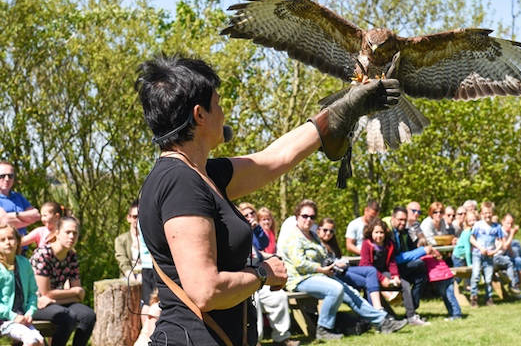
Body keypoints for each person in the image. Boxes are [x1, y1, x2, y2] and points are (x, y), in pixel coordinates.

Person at [135, 55, 402, 345]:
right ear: (200, 115)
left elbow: (275, 158)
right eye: (219, 104)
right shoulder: (181, 182)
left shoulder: (202, 174)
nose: (224, 113)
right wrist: (263, 273)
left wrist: (344, 108)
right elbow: (205, 290)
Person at [279, 199, 407, 340]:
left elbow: (323, 255)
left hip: (322, 275)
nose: (308, 219)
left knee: (352, 294)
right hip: (300, 278)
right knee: (336, 289)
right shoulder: (292, 236)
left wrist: (335, 263)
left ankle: (382, 322)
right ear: (297, 215)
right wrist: (322, 269)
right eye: (305, 216)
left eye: (312, 217)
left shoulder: (313, 235)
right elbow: (300, 264)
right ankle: (324, 328)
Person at [30, 216, 96, 346]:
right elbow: (44, 293)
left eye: (75, 233)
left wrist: (60, 297)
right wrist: (73, 292)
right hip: (34, 304)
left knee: (88, 316)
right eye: (68, 232)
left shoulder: (71, 256)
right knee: (67, 317)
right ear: (57, 233)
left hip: (55, 302)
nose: (71, 236)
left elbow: (79, 295)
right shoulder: (43, 254)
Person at [241, 205, 298, 346]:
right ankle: (255, 341)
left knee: (279, 297)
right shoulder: (239, 233)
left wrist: (257, 229)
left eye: (252, 213)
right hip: (246, 277)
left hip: (261, 276)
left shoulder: (254, 230)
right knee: (255, 301)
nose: (250, 217)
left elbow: (263, 244)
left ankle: (282, 338)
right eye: (246, 215)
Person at [360, 218, 429, 326]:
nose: (379, 235)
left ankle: (411, 316)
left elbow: (392, 262)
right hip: (369, 274)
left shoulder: (389, 244)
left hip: (384, 271)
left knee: (404, 284)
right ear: (371, 232)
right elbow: (366, 265)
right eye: (376, 232)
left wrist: (395, 275)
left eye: (381, 232)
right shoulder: (366, 244)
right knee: (373, 289)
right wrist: (382, 279)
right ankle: (384, 316)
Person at [317, 217, 384, 311]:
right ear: (318, 230)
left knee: (371, 270)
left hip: (342, 270)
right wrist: (334, 264)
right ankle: (376, 313)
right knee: (367, 282)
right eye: (325, 230)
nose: (328, 233)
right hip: (331, 274)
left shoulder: (331, 245)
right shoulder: (315, 244)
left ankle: (377, 308)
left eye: (331, 231)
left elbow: (338, 258)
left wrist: (342, 262)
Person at [389, 206, 435, 323]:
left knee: (421, 276)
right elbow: (396, 258)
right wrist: (422, 251)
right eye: (400, 220)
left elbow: (412, 249)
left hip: (402, 267)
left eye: (404, 220)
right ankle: (411, 315)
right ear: (393, 218)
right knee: (419, 265)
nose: (403, 223)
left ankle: (412, 311)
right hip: (390, 269)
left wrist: (424, 248)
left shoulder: (404, 232)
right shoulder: (389, 234)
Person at [0, 224, 44, 346]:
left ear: (18, 241)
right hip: (3, 319)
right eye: (2, 240)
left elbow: (33, 293)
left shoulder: (24, 263)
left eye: (11, 238)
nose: (7, 242)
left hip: (22, 317)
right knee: (30, 340)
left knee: (40, 341)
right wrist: (13, 316)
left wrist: (30, 313)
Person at [469, 201, 505, 307]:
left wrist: (494, 251)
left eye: (489, 213)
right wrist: (480, 248)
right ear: (481, 214)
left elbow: (501, 241)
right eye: (485, 213)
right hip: (477, 254)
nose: (487, 215)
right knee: (475, 275)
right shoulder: (478, 225)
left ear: (492, 213)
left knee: (488, 278)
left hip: (489, 255)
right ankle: (474, 297)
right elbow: (472, 239)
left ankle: (488, 298)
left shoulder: (497, 227)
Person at [0, 161, 41, 240]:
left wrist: (16, 215)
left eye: (10, 176)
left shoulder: (18, 196)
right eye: (2, 176)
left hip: (22, 247)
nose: (7, 179)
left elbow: (36, 215)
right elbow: (4, 221)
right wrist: (28, 220)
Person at [114, 199, 142, 281]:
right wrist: (132, 279)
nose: (137, 220)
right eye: (135, 217)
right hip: (128, 277)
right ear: (129, 218)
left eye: (140, 216)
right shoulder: (120, 240)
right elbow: (123, 261)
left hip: (147, 276)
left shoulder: (149, 238)